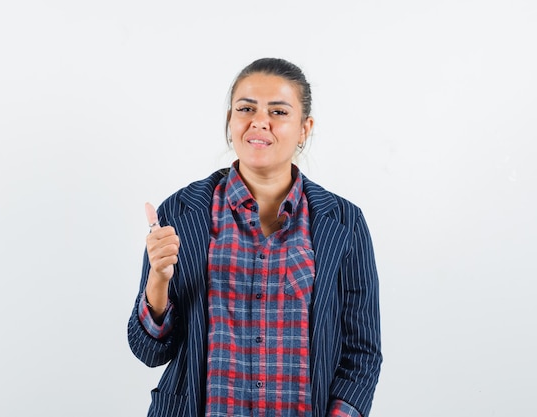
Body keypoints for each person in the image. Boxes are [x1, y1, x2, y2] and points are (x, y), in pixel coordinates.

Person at [128, 57, 382, 417]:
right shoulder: (183, 214)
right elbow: (149, 351)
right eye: (246, 108)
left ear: (304, 128)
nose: (259, 121)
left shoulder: (343, 222)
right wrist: (158, 281)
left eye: (278, 112)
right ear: (231, 121)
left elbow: (362, 353)